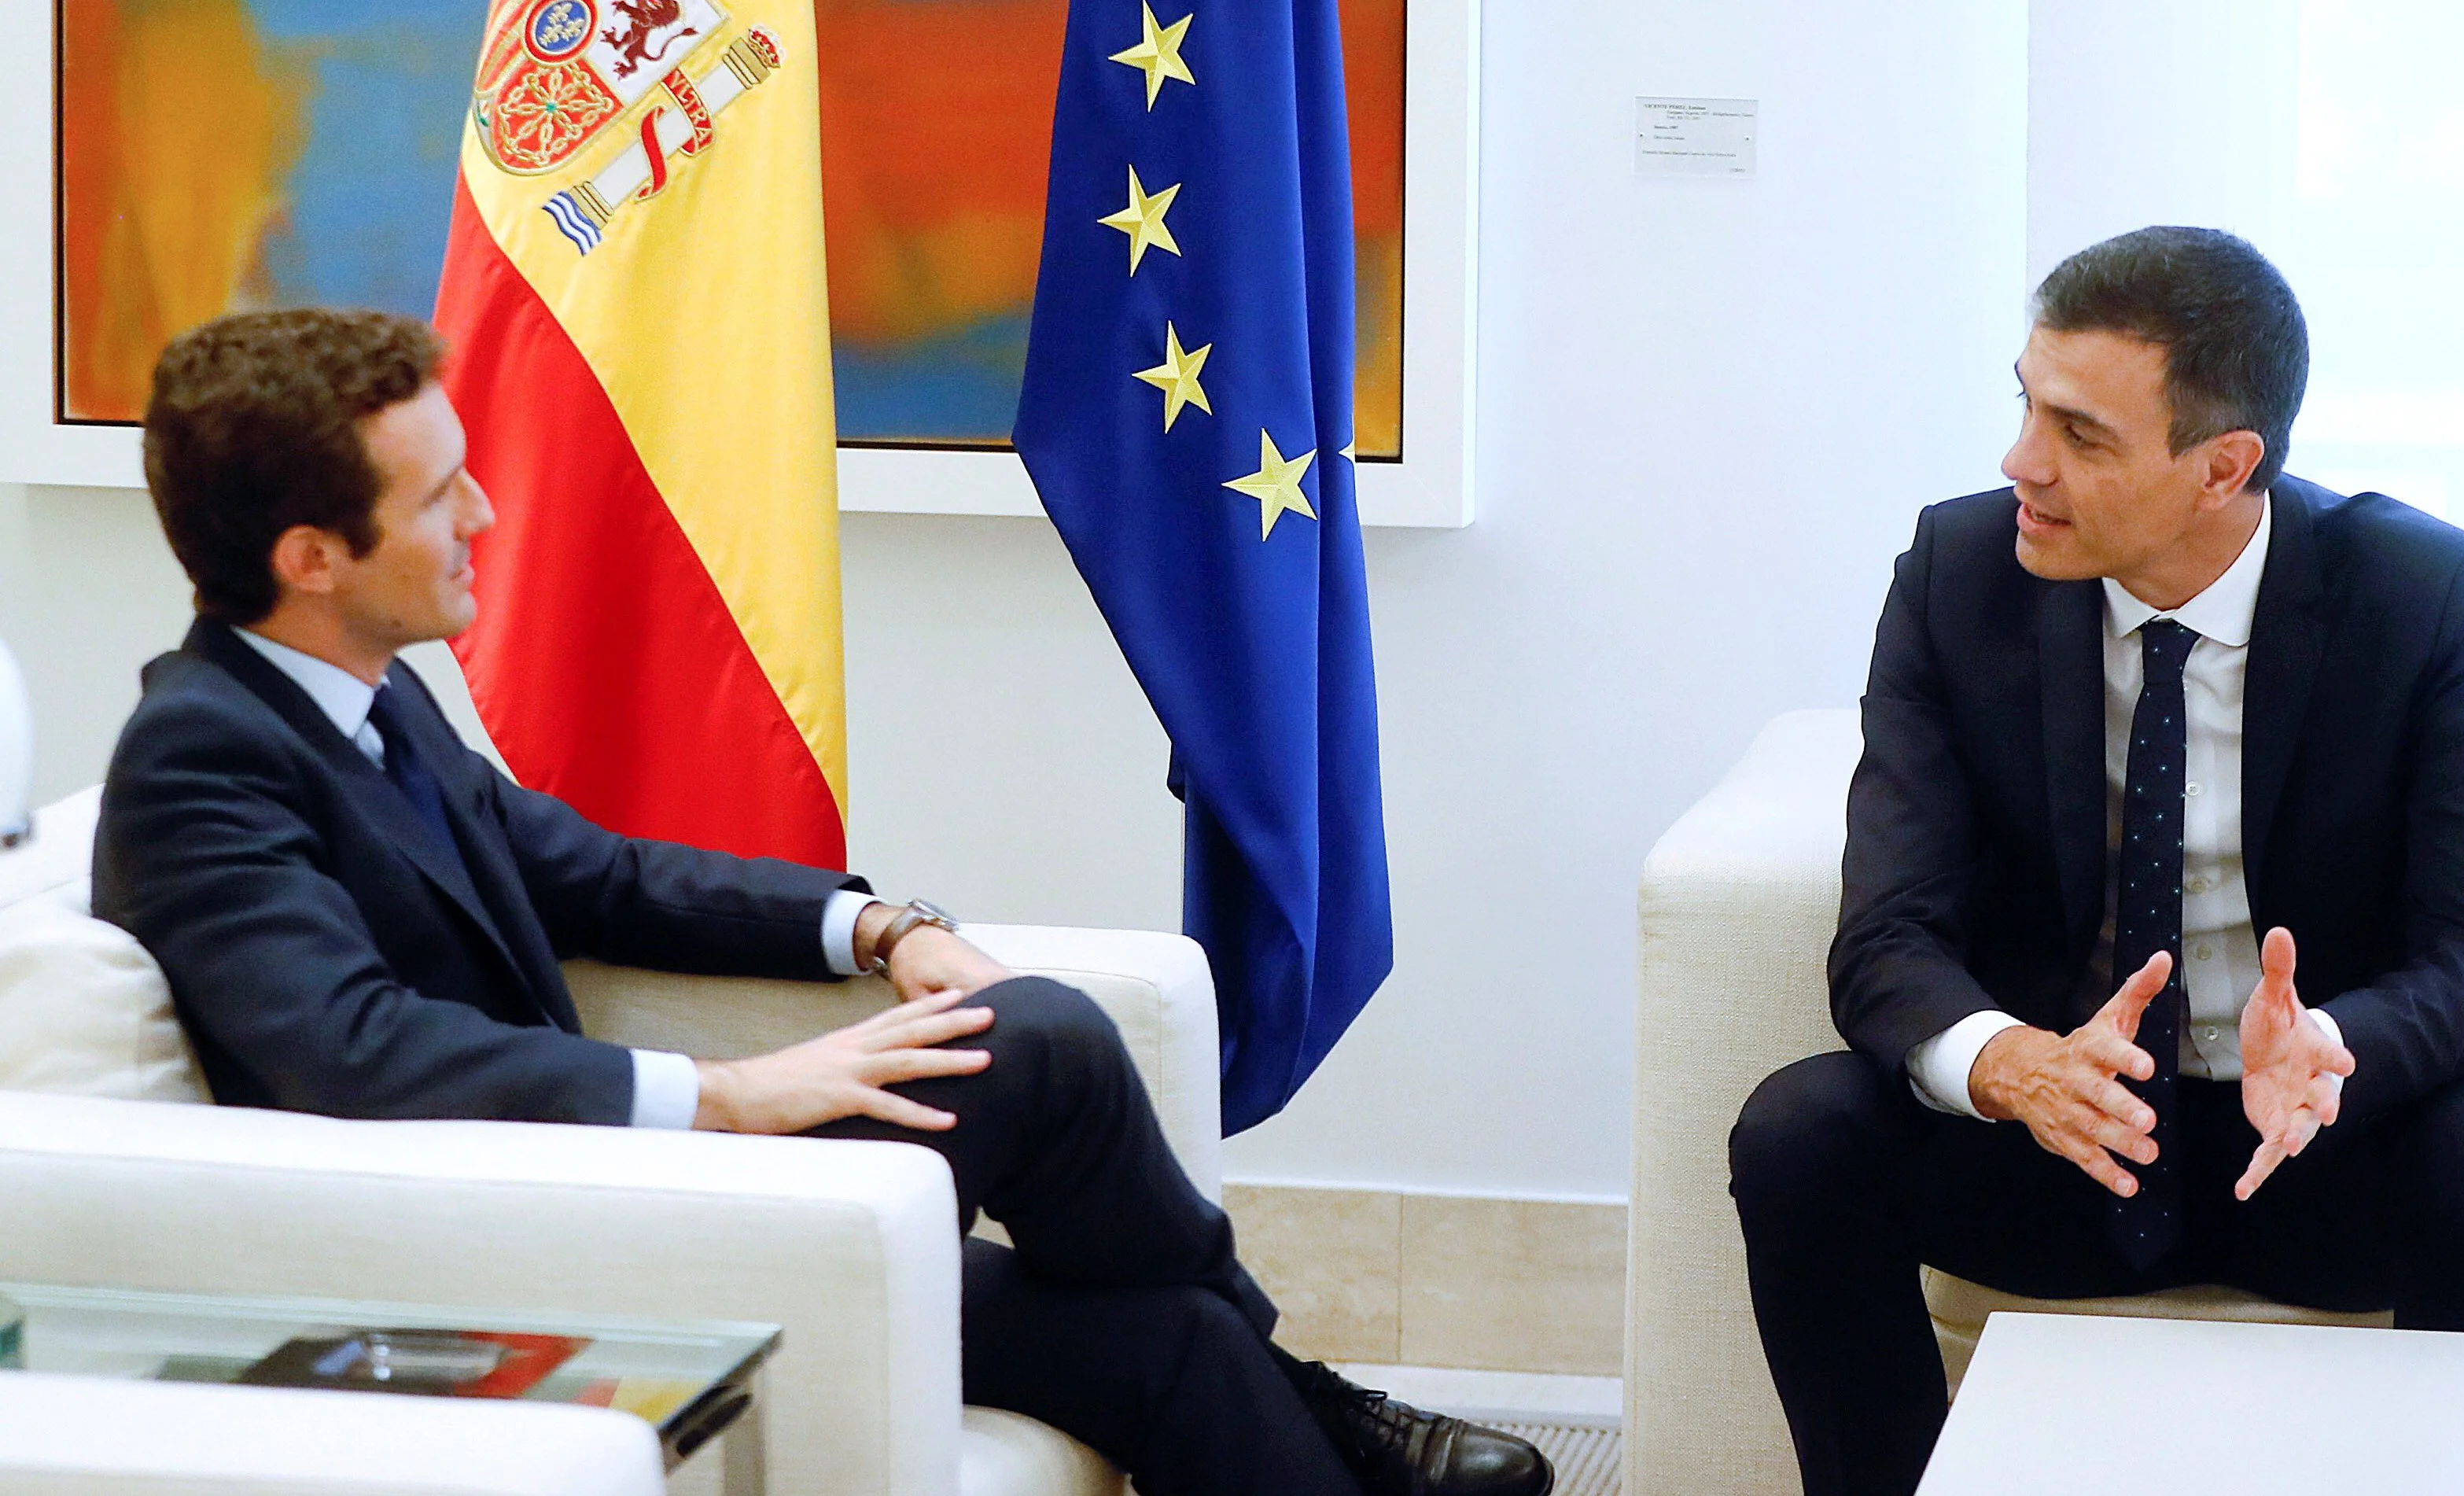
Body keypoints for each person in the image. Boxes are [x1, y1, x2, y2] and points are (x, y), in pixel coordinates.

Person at [91, 308, 1551, 1496]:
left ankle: (1315, 1417)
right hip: (503, 1248)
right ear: (311, 560)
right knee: (1032, 1039)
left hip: (603, 1193)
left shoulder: (367, 693)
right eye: (437, 494)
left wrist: (878, 925)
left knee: (1166, 1340)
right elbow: (356, 1054)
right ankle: (1345, 1420)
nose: (484, 508)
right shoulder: (201, 755)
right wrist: (735, 1094)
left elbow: (598, 874)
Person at [1726, 227, 2464, 1496]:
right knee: (1799, 1130)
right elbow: (1886, 934)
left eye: (2081, 435)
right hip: (2071, 1137)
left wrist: (2334, 1042)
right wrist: (2007, 1063)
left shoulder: (2424, 595)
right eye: (2025, 405)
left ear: (2223, 467)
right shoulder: (1956, 575)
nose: (2020, 464)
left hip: (2317, 1140)